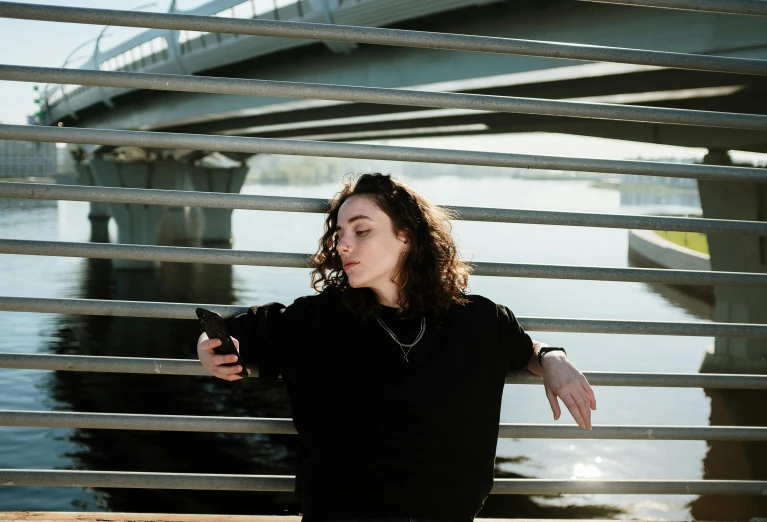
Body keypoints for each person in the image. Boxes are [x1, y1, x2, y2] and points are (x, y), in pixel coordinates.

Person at [197, 173, 596, 522]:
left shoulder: (477, 319)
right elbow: (233, 333)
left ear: (406, 234)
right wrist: (209, 344)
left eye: (361, 230)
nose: (344, 246)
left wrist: (552, 358)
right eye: (339, 235)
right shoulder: (316, 319)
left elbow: (523, 346)